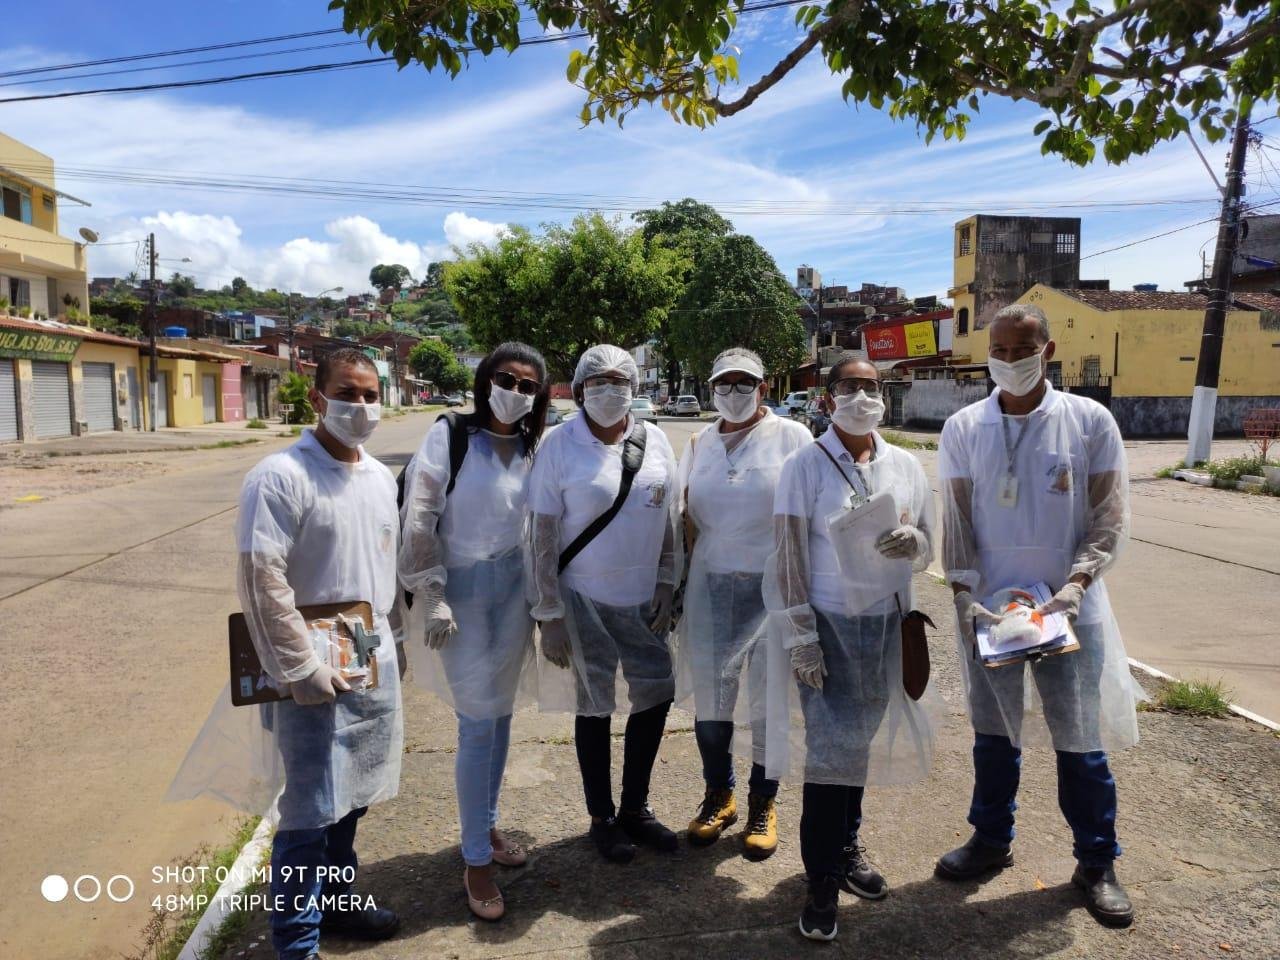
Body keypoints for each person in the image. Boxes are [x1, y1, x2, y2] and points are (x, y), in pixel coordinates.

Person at [935, 303, 1138, 928]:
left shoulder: (1088, 420)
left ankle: (1097, 863)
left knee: (1080, 742)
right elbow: (958, 519)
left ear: (1047, 350)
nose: (1010, 360)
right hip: (994, 613)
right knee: (994, 736)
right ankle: (991, 839)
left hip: (1068, 612)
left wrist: (1076, 583)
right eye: (999, 348)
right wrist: (966, 591)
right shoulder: (964, 427)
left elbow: (1109, 515)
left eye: (1022, 349)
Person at [764, 355, 937, 942]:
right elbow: (787, 553)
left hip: (885, 627)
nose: (861, 396)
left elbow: (929, 545)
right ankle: (821, 878)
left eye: (870, 387)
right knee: (828, 753)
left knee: (855, 746)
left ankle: (846, 844)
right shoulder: (804, 466)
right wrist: (801, 633)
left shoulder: (905, 465)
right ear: (827, 396)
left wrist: (915, 540)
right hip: (829, 628)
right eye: (849, 386)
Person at [237, 347, 402, 960]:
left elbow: (382, 571)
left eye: (369, 395)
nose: (359, 406)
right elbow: (262, 578)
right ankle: (297, 942)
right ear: (317, 398)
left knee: (351, 797)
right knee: (308, 810)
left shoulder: (380, 479)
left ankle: (338, 907)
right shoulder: (282, 476)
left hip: (367, 655)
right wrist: (299, 665)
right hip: (309, 666)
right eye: (347, 392)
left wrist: (395, 644)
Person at [398, 342, 550, 922]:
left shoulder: (534, 448)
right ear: (486, 380)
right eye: (506, 378)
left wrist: (545, 604)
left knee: (502, 715)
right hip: (459, 596)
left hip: (512, 595)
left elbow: (538, 527)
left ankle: (485, 828)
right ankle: (476, 862)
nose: (515, 390)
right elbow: (421, 514)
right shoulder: (451, 435)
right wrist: (432, 593)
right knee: (477, 725)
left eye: (528, 384)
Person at [528, 344, 681, 864]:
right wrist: (547, 612)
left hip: (643, 599)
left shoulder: (655, 440)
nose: (611, 390)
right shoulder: (559, 445)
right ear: (578, 389)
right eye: (599, 382)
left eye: (621, 381)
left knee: (656, 693)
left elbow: (670, 522)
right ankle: (602, 817)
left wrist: (666, 581)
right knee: (595, 705)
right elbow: (542, 535)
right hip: (584, 597)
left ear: (635, 389)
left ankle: (636, 808)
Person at [676, 347, 811, 859]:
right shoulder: (699, 442)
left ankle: (763, 801)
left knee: (768, 703)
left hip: (771, 590)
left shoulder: (793, 438)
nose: (733, 393)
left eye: (744, 383)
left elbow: (809, 515)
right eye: (724, 384)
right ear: (711, 389)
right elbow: (681, 518)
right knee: (712, 706)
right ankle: (719, 793)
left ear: (763, 387)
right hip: (711, 588)